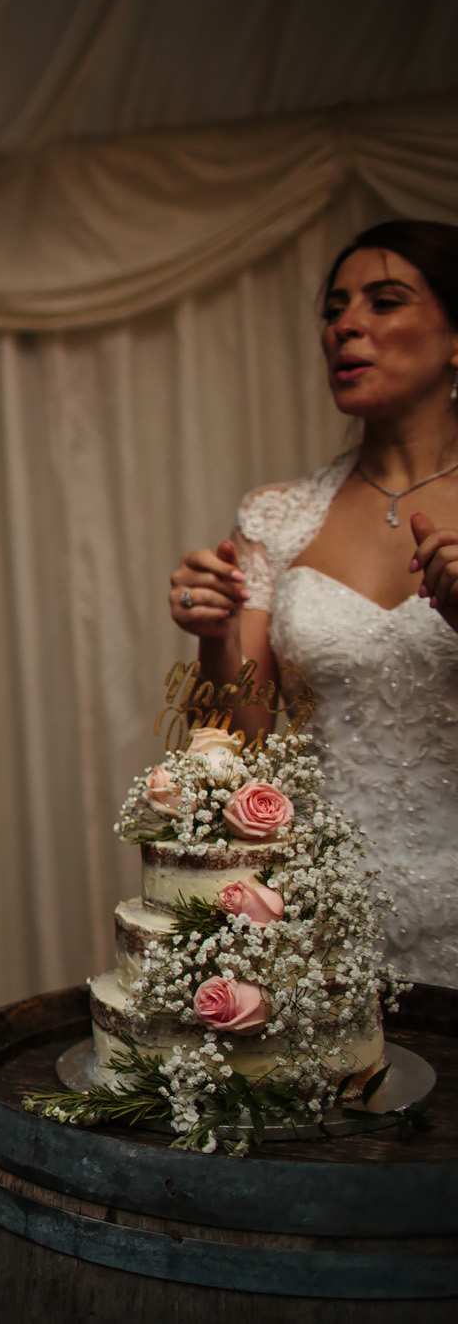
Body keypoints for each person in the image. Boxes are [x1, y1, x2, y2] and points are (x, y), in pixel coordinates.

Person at [168, 219, 458, 987]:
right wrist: (216, 636)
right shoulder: (276, 516)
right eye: (333, 311)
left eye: (384, 301)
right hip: (329, 903)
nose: (345, 326)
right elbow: (244, 742)